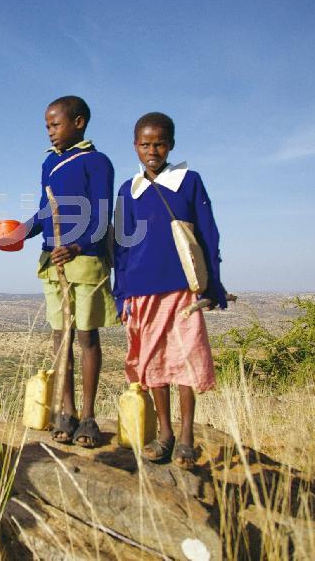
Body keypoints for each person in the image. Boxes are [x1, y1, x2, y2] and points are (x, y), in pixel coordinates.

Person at [112, 112, 226, 467]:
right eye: (145, 144)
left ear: (171, 144)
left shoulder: (188, 181)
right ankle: (165, 433)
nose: (152, 151)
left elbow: (208, 233)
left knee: (186, 361)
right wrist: (121, 293)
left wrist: (215, 284)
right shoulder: (128, 190)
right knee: (154, 364)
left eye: (159, 143)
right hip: (142, 290)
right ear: (135, 146)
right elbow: (120, 246)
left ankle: (187, 435)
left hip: (181, 289)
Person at [19, 95, 115, 448]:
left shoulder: (97, 162)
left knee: (87, 336)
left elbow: (102, 218)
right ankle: (66, 410)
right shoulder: (49, 165)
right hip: (52, 260)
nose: (50, 132)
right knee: (61, 339)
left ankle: (88, 416)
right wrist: (21, 231)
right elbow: (45, 211)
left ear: (79, 123)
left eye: (55, 124)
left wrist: (77, 246)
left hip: (85, 259)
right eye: (47, 126)